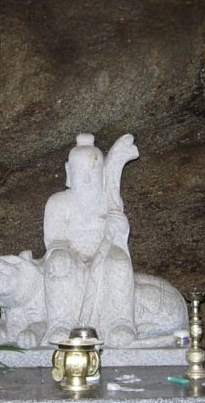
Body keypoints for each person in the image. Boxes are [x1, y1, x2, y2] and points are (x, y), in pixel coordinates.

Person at [41, 133, 139, 347]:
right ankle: (61, 323)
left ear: (103, 174)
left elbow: (118, 237)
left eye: (93, 172)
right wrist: (64, 253)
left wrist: (121, 226)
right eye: (81, 172)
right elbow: (54, 240)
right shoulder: (57, 203)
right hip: (71, 256)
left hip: (104, 255)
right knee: (58, 262)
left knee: (119, 263)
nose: (87, 179)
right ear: (69, 172)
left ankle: (119, 322)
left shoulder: (109, 200)